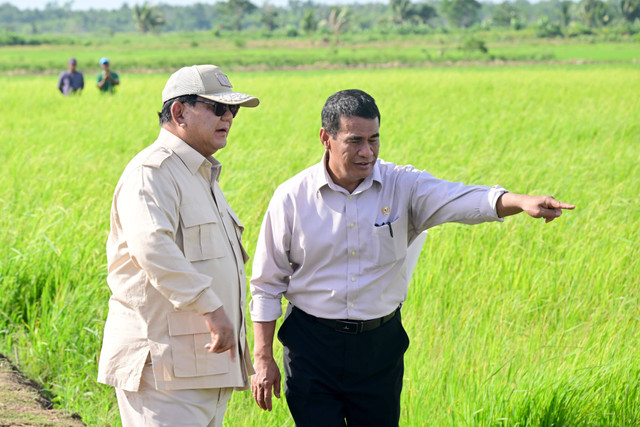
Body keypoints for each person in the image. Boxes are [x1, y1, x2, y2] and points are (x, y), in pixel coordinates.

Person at [249, 89, 575, 426]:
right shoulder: (292, 197)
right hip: (311, 346)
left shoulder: (403, 185)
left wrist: (519, 202)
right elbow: (266, 284)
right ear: (325, 138)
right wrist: (263, 358)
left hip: (378, 348)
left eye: (374, 139)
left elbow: (459, 198)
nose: (367, 152)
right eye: (355, 141)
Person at [97, 64, 259, 426]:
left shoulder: (201, 175)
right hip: (163, 369)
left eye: (232, 110)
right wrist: (212, 308)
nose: (229, 117)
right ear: (178, 112)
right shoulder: (152, 172)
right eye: (217, 108)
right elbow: (151, 247)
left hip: (202, 365)